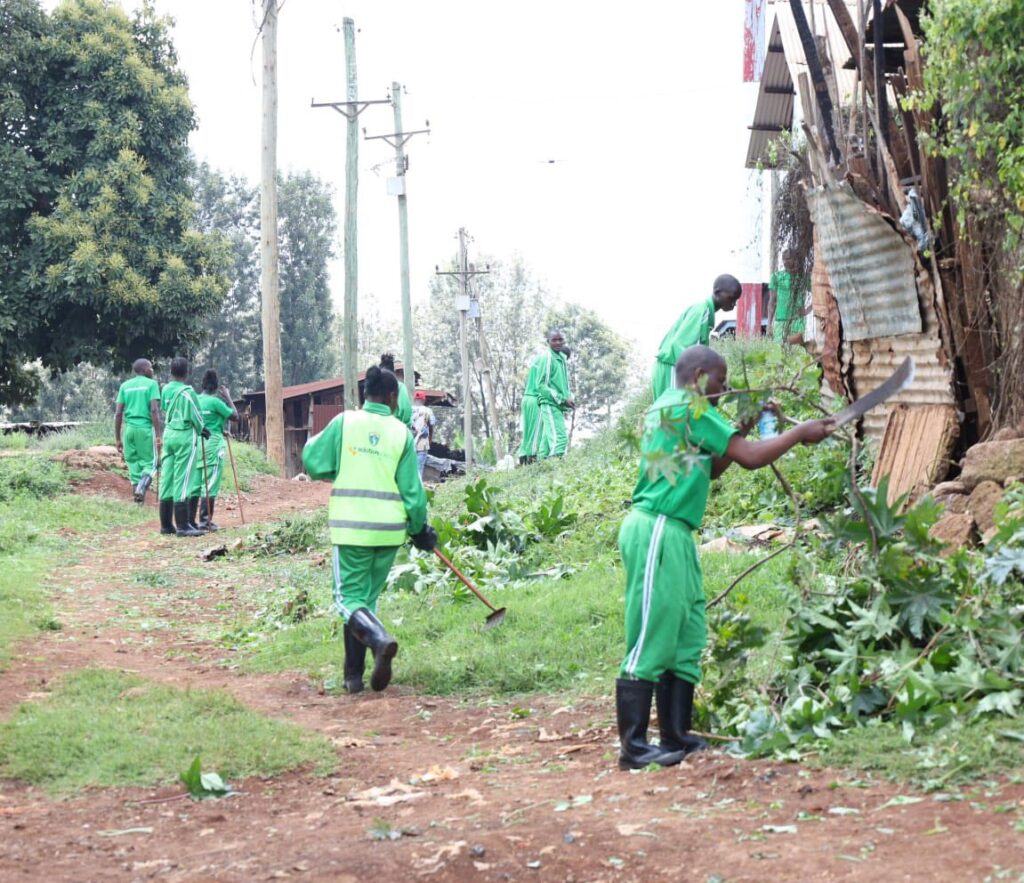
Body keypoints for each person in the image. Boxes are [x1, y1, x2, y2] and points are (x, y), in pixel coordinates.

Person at [615, 345, 833, 770]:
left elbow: (714, 467)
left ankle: (675, 734)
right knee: (654, 629)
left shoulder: (675, 407)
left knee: (687, 630)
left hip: (675, 531)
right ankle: (634, 746)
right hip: (657, 526)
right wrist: (799, 432)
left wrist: (749, 423)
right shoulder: (688, 407)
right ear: (699, 376)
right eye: (721, 380)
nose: (725, 388)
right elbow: (750, 458)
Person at [302, 365, 437, 694]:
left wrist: (339, 467)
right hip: (389, 533)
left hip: (352, 530)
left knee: (346, 600)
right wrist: (420, 529)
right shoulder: (401, 433)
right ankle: (353, 679)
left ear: (366, 396)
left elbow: (312, 459)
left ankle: (379, 639)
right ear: (392, 397)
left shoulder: (344, 422)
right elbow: (413, 493)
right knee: (364, 602)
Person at [651, 275, 743, 400]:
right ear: (717, 292)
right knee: (672, 412)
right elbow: (679, 345)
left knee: (676, 414)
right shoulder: (701, 310)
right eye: (731, 298)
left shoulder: (706, 312)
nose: (733, 304)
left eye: (736, 300)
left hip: (674, 366)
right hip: (672, 365)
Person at [158, 357, 209, 538]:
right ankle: (182, 525)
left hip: (169, 434)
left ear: (171, 372)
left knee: (167, 477)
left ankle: (165, 524)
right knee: (183, 477)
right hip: (184, 436)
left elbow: (164, 408)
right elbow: (196, 415)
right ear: (187, 373)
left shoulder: (165, 389)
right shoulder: (188, 392)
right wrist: (203, 429)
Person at [193, 370, 239, 531]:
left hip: (197, 444)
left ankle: (192, 522)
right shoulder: (216, 402)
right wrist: (227, 397)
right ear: (216, 386)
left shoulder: (195, 400)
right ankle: (205, 522)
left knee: (197, 483)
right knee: (210, 483)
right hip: (213, 445)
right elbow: (235, 416)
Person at [113, 358, 162, 504]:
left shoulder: (125, 386)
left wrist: (117, 438)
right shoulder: (152, 384)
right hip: (145, 429)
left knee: (133, 466)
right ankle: (141, 488)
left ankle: (138, 504)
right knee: (151, 464)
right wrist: (158, 435)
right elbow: (154, 410)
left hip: (129, 431)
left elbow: (118, 413)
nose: (152, 370)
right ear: (145, 369)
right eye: (151, 368)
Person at [532, 329, 575, 460]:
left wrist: (568, 398)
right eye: (554, 340)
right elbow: (540, 385)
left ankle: (540, 468)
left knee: (545, 443)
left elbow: (561, 383)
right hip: (550, 403)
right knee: (560, 439)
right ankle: (556, 468)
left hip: (558, 404)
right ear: (548, 342)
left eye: (560, 339)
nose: (557, 342)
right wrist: (562, 399)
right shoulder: (548, 358)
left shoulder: (561, 358)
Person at [768, 249, 808, 344]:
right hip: (780, 321)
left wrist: (808, 310)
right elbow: (771, 302)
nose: (785, 262)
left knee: (797, 352)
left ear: (795, 259)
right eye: (784, 259)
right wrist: (769, 324)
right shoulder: (776, 277)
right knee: (779, 350)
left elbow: (817, 294)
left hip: (797, 321)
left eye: (788, 259)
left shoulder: (803, 277)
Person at [379, 353, 413, 428]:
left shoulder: (375, 386)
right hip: (397, 426)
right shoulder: (400, 386)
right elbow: (405, 409)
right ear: (393, 373)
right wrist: (405, 426)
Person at [411, 392, 436, 478]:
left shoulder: (408, 410)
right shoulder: (428, 411)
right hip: (423, 444)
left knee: (408, 467)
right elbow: (431, 426)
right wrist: (430, 439)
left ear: (414, 399)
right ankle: (417, 487)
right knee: (419, 467)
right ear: (424, 400)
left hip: (409, 443)